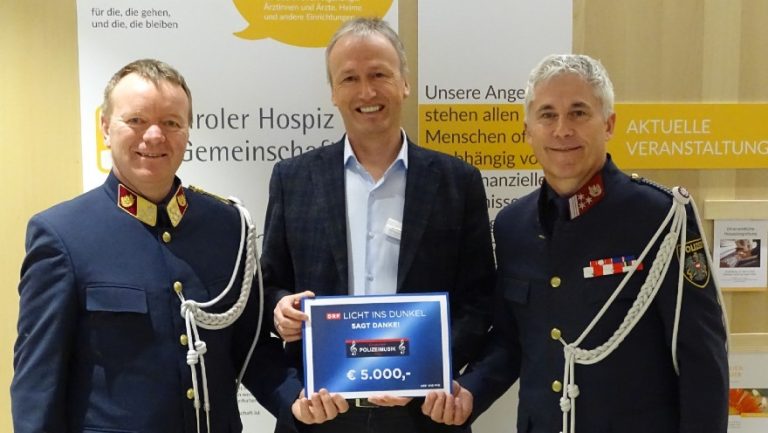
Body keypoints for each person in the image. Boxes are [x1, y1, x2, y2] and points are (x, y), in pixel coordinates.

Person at [11, 58, 346, 433]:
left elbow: (250, 348)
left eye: (171, 122)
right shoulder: (63, 234)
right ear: (105, 127)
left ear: (187, 131)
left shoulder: (228, 226)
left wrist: (295, 400)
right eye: (136, 120)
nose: (155, 135)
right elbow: (38, 383)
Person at [423, 54, 730, 432]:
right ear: (528, 130)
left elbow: (702, 358)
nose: (562, 130)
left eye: (579, 113)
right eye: (547, 115)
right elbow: (511, 340)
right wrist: (470, 390)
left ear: (609, 124)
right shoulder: (512, 226)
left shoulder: (661, 218)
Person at [260, 17, 495, 433]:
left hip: (423, 418)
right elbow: (269, 287)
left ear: (405, 82)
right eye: (349, 78)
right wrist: (281, 310)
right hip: (321, 414)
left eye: (379, 75)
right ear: (333, 92)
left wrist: (430, 369)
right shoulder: (292, 179)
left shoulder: (457, 182)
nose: (366, 92)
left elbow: (478, 300)